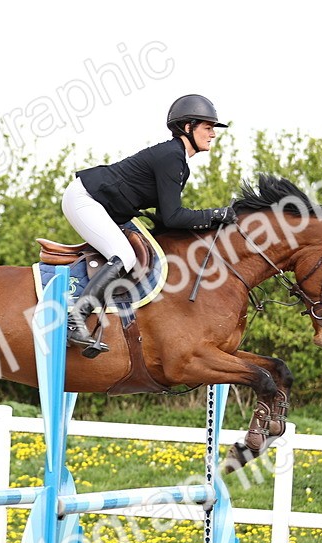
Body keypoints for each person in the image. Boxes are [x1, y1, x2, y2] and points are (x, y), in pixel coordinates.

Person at [62, 93, 237, 351]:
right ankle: (74, 320)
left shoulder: (179, 163)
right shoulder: (171, 157)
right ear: (188, 128)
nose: (213, 134)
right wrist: (216, 215)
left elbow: (167, 218)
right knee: (125, 255)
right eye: (208, 128)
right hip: (85, 199)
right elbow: (173, 216)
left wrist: (213, 223)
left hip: (108, 206)